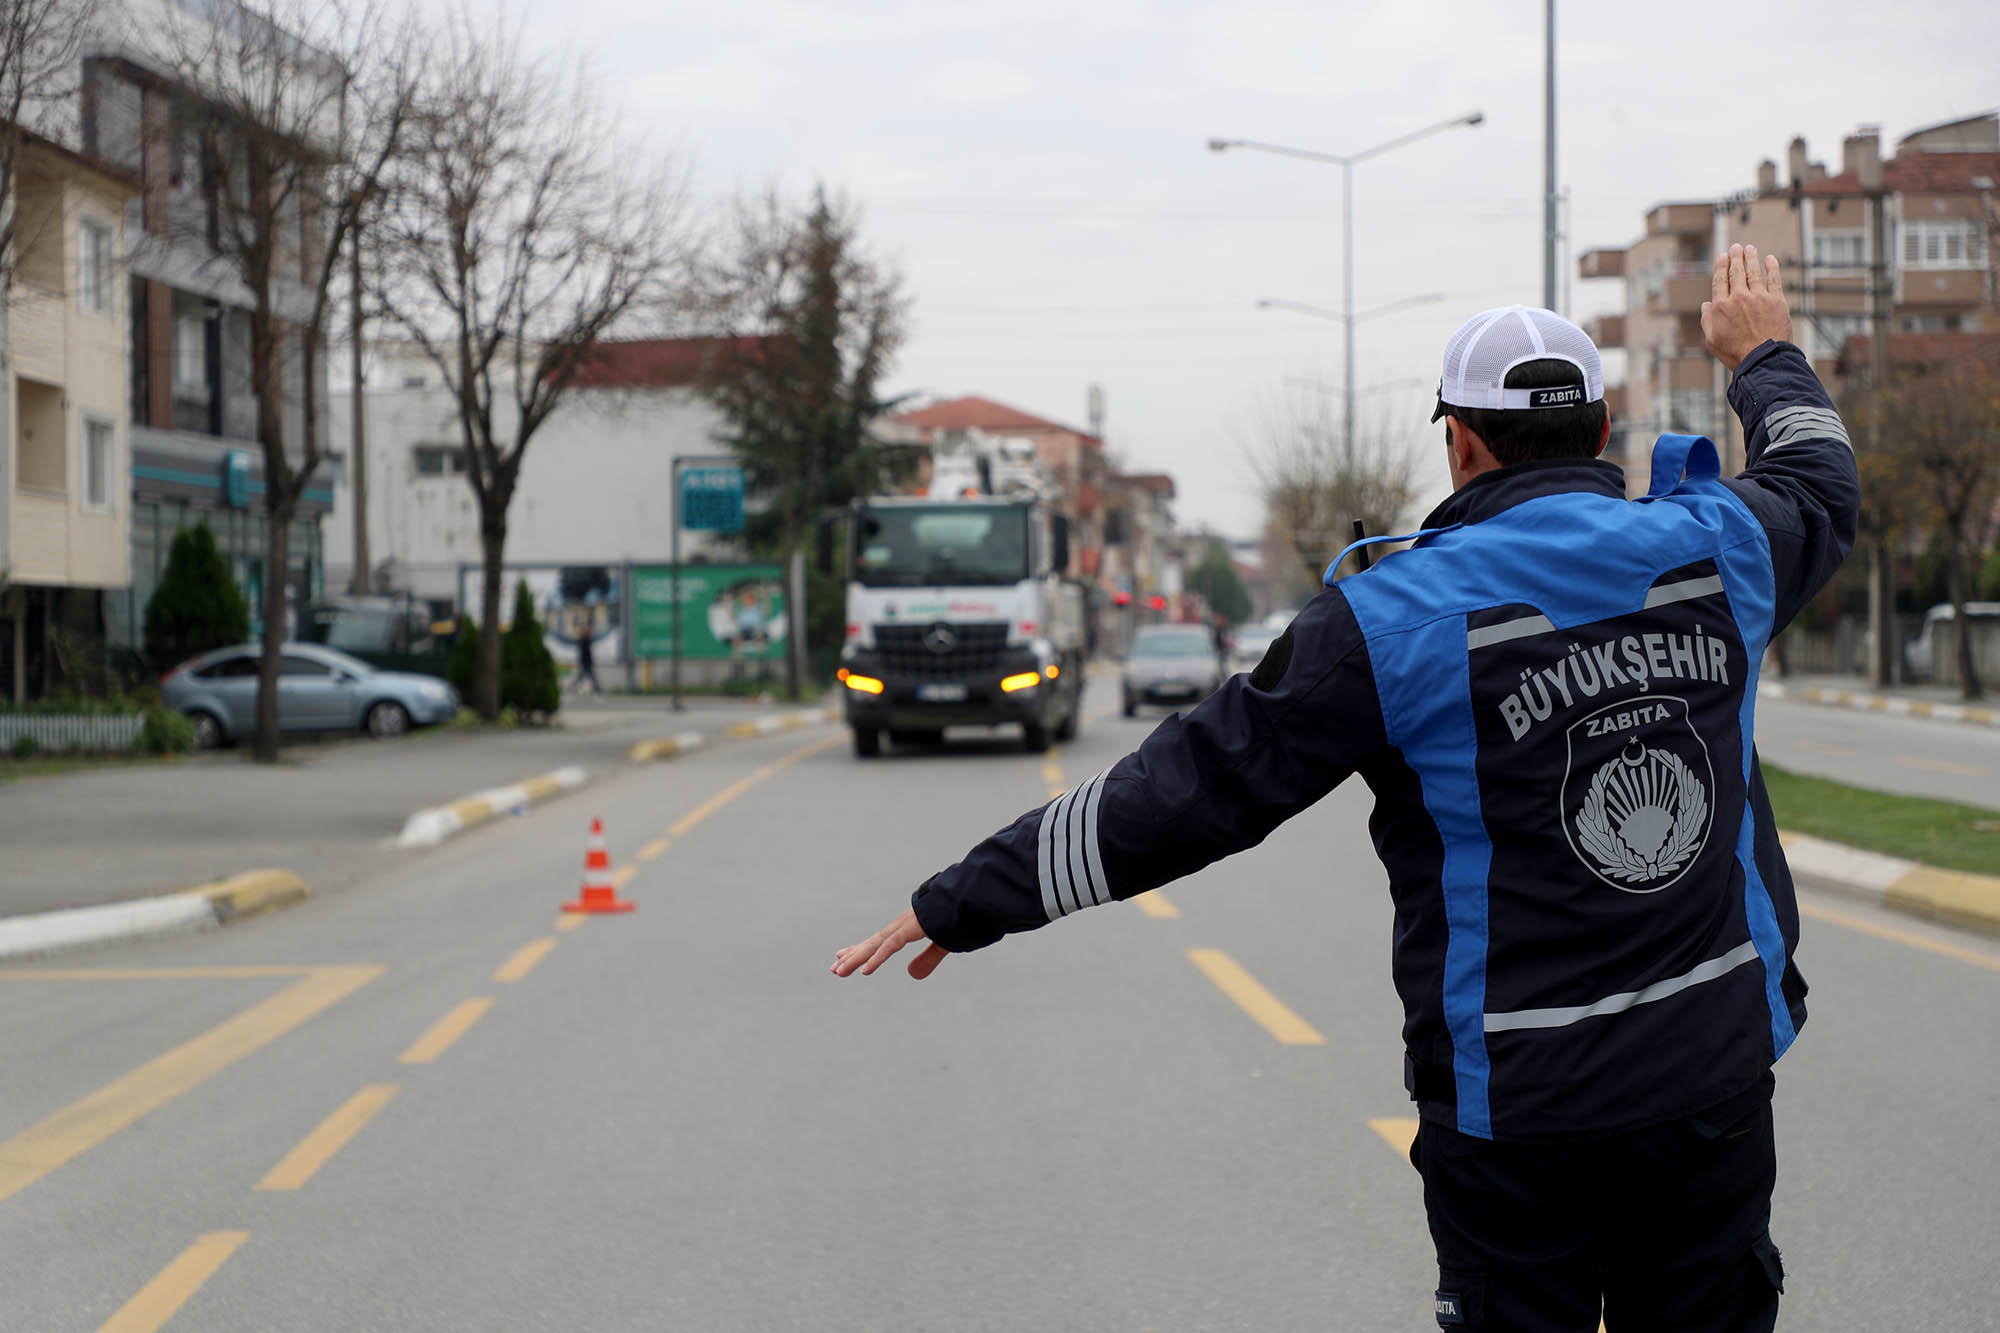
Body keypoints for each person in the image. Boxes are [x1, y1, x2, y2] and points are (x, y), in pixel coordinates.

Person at [834, 246, 1858, 1331]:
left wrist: (968, 897)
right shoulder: (1718, 550)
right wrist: (1762, 356)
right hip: (1708, 1086)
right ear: (1602, 431)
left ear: (1457, 442)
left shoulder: (1389, 620)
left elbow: (1187, 789)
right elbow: (1816, 481)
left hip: (1515, 1118)